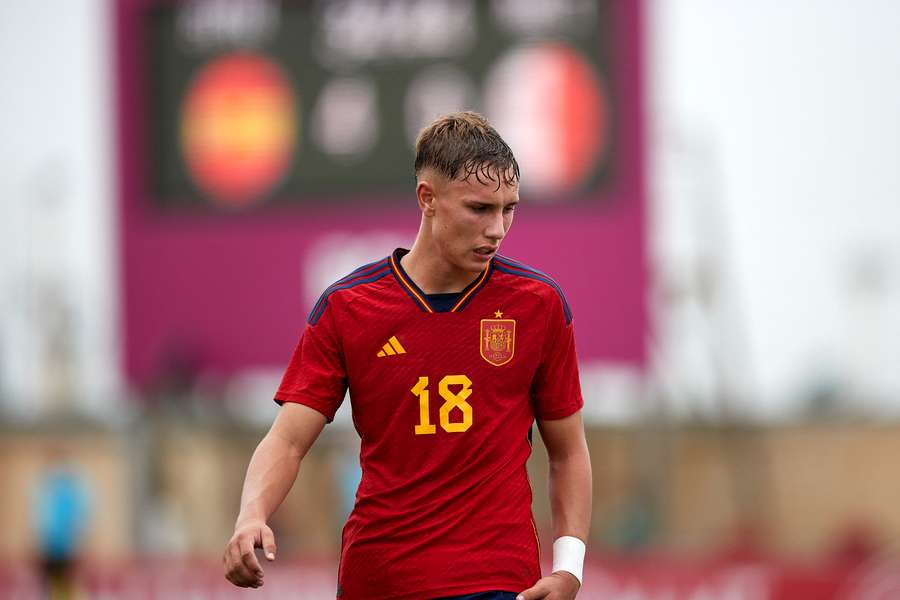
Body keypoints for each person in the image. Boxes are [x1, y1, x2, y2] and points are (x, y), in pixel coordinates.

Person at [224, 111, 592, 600]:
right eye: (480, 209)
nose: (498, 228)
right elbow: (288, 441)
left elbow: (568, 452)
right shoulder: (348, 307)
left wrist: (569, 568)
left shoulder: (538, 304)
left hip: (498, 581)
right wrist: (252, 515)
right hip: (381, 579)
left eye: (509, 209)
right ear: (428, 199)